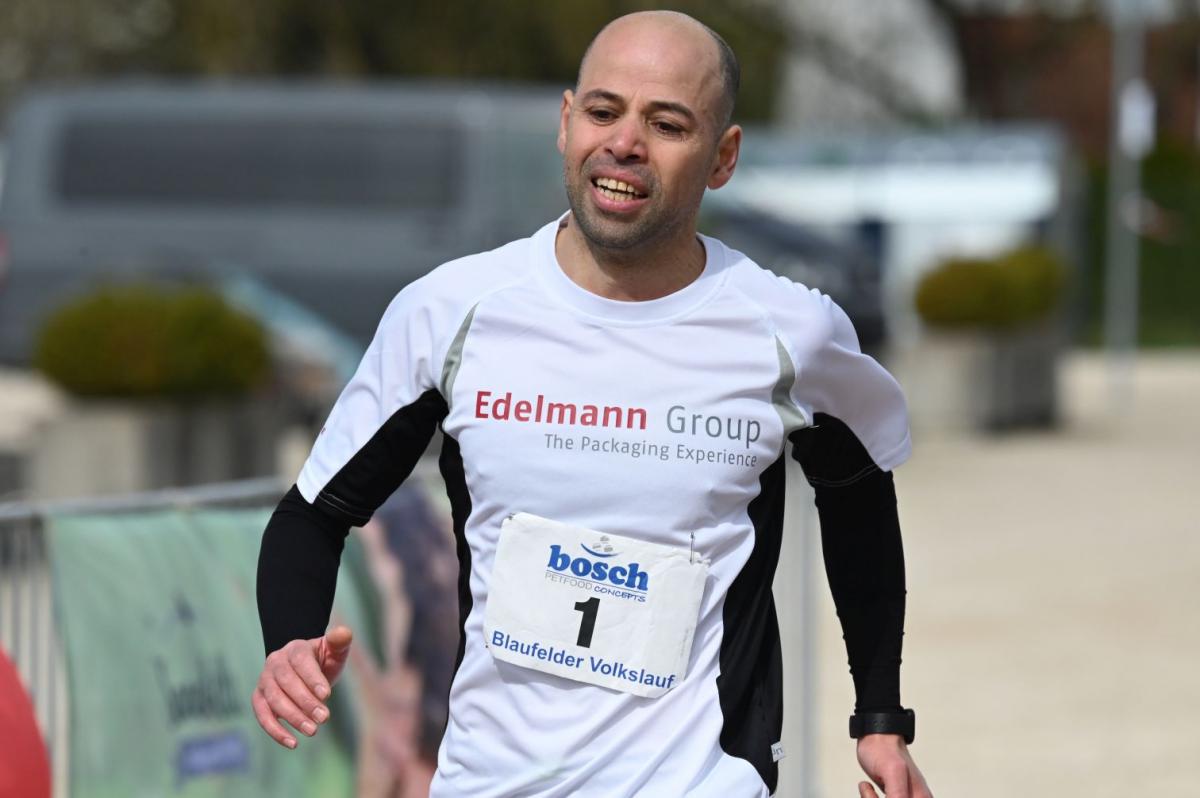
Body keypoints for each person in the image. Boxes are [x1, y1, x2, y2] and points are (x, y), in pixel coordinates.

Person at [253, 10, 932, 798]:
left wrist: (880, 717)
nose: (625, 144)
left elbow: (858, 501)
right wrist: (289, 643)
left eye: (667, 124)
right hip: (491, 782)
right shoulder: (451, 313)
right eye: (605, 112)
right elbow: (313, 514)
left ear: (723, 157)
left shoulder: (790, 333)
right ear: (566, 122)